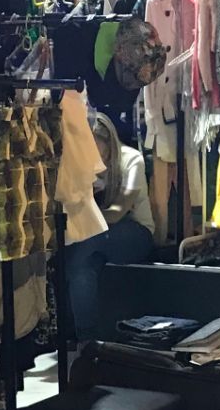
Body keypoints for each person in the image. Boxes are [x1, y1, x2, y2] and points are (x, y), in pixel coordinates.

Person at [65, 110, 157, 340]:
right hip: (99, 238)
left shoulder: (131, 160)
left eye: (93, 145)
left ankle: (83, 334)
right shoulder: (84, 165)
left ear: (108, 142)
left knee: (85, 243)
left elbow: (118, 212)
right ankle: (86, 335)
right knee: (82, 268)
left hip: (135, 233)